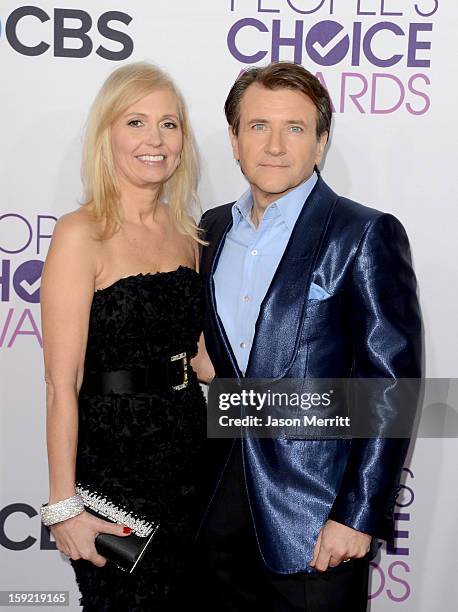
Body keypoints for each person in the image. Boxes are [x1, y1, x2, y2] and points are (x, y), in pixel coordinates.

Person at [197, 62, 421, 611]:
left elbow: (390, 387)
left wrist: (357, 515)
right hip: (213, 511)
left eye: (295, 129)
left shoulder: (363, 233)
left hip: (315, 521)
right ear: (233, 138)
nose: (275, 145)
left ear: (320, 142)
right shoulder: (211, 229)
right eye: (257, 126)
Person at [40, 61, 214, 611]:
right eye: (136, 122)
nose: (155, 140)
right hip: (112, 476)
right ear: (107, 134)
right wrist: (64, 505)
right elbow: (58, 385)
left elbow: (206, 363)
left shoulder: (190, 233)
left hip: (190, 458)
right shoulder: (80, 233)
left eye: (169, 124)